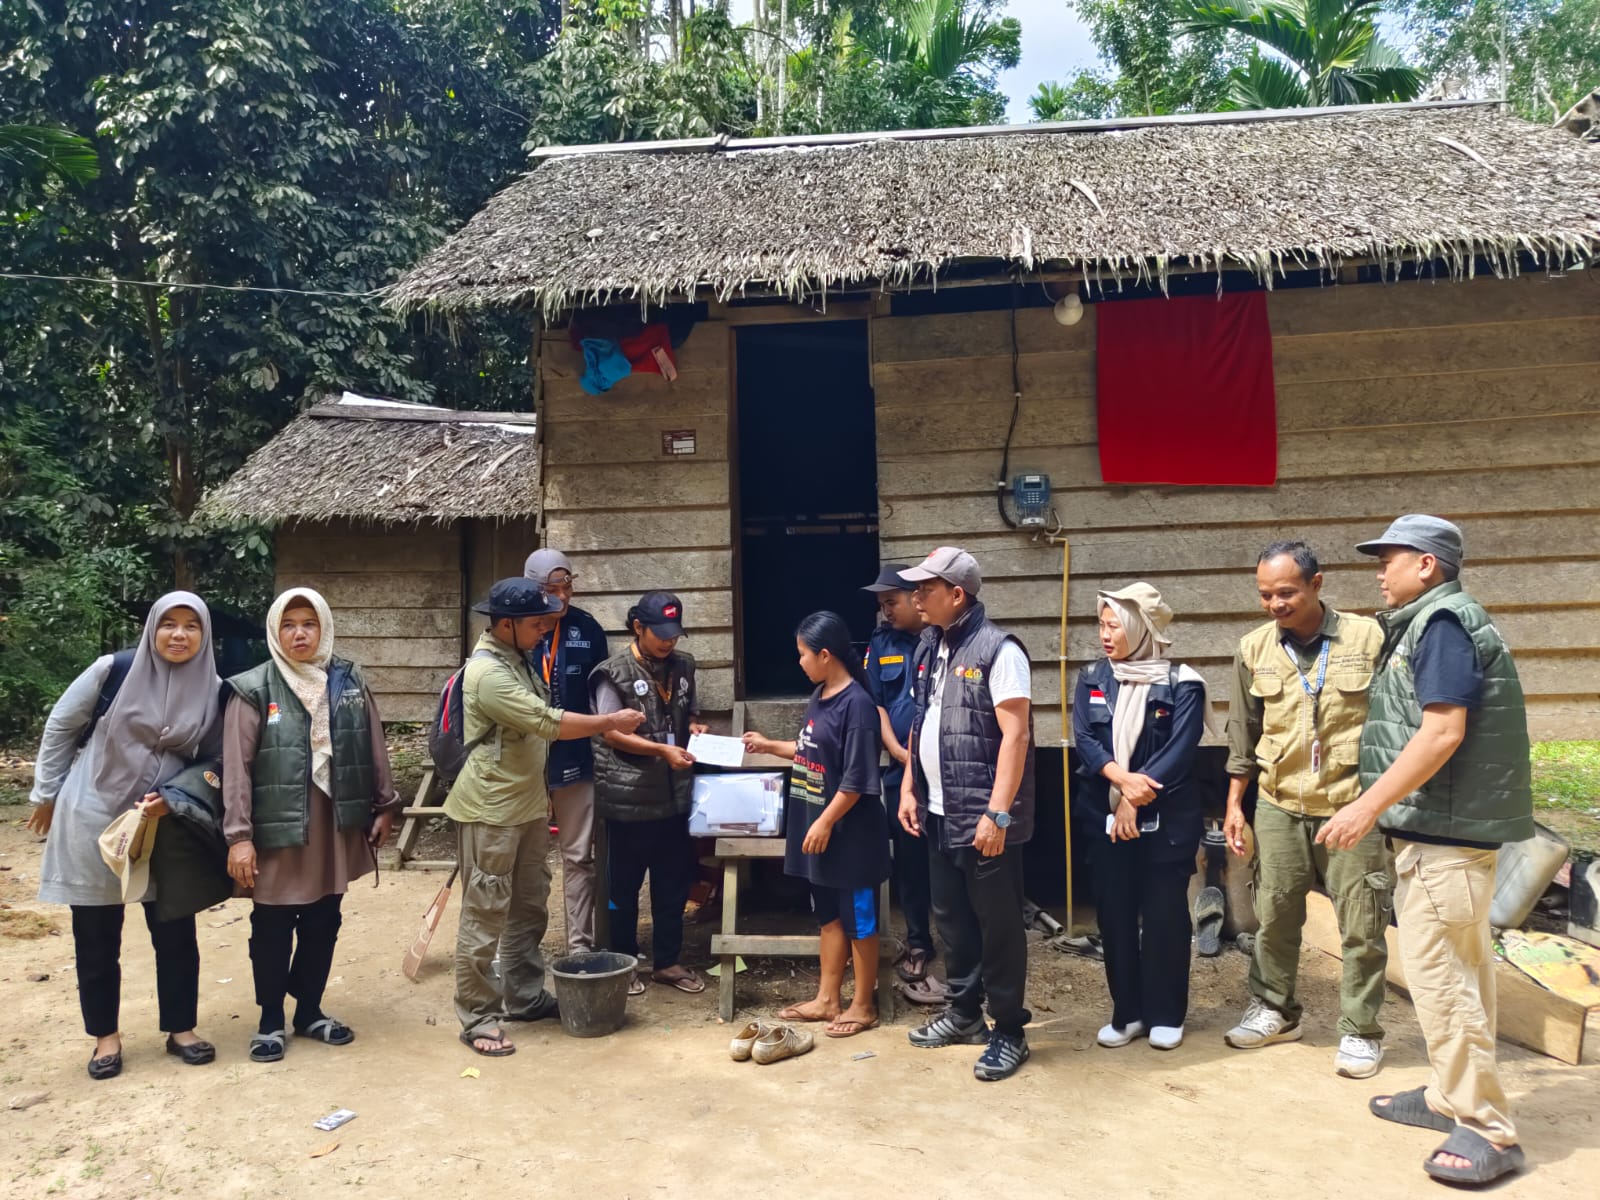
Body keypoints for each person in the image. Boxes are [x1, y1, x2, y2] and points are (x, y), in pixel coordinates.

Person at [1320, 516, 1533, 1187]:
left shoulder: (1441, 626)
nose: (1380, 570)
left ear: (1428, 566)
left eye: (1391, 558)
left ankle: (1488, 1130)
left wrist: (1366, 804)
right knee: (1456, 978)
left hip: (1446, 839)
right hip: (1442, 834)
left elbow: (1442, 733)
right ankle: (1448, 1097)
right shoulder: (1435, 621)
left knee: (1449, 986)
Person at [446, 579, 645, 1056]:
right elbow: (545, 721)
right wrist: (607, 722)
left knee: (529, 905)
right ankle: (477, 1016)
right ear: (507, 624)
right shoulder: (488, 674)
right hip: (491, 810)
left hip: (527, 804)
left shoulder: (518, 659)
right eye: (537, 624)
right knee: (485, 912)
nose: (544, 631)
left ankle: (524, 996)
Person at [28, 593, 222, 1079]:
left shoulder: (213, 688)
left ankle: (181, 1029)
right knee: (96, 934)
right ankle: (105, 1038)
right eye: (169, 625)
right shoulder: (111, 670)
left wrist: (178, 797)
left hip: (163, 821)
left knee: (175, 927)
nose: (179, 635)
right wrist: (45, 794)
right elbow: (61, 726)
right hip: (93, 813)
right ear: (152, 629)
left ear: (204, 635)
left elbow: (215, 760)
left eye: (191, 626)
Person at [1222, 541, 1390, 1077]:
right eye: (1266, 595)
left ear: (1318, 584)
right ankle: (1275, 1008)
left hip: (1352, 804)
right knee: (1274, 915)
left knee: (1361, 921)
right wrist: (1234, 805)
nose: (1275, 604)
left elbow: (1396, 721)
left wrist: (1384, 801)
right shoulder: (1253, 648)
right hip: (1278, 802)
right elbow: (1243, 734)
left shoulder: (1368, 637)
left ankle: (1360, 1030)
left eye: (1286, 592)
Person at [223, 587, 401, 1064]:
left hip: (334, 822)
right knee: (273, 925)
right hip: (278, 828)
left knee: (325, 919)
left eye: (308, 623)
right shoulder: (253, 688)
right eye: (288, 624)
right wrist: (239, 837)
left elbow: (373, 745)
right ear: (275, 631)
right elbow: (237, 770)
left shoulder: (346, 681)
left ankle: (309, 1011)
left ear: (323, 627)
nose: (298, 633)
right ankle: (268, 1019)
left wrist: (385, 806)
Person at [896, 547, 1036, 1082]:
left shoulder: (1000, 650)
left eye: (925, 589)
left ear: (957, 594)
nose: (915, 598)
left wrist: (997, 814)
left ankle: (1008, 1031)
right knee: (952, 922)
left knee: (998, 927)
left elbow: (1016, 735)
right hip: (937, 811)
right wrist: (910, 785)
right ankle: (962, 1014)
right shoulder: (930, 645)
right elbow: (920, 722)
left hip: (983, 819)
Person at [1073, 584, 1209, 1051]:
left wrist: (1134, 796)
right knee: (1114, 916)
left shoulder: (1183, 681)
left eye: (1114, 625)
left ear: (1140, 627)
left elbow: (1180, 749)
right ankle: (1126, 1013)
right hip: (1104, 819)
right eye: (1102, 625)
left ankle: (1165, 1013)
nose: (1104, 635)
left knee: (1165, 915)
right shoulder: (1092, 677)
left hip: (1165, 819)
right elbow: (1085, 741)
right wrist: (1120, 783)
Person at [743, 612, 891, 1037]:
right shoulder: (821, 695)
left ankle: (863, 1005)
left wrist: (825, 822)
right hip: (819, 829)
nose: (800, 662)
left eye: (803, 655)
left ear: (826, 655)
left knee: (859, 920)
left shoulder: (858, 706)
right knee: (828, 916)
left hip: (850, 835)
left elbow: (858, 779)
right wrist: (771, 745)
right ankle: (828, 1000)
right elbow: (812, 752)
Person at [591, 590, 709, 995]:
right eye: (660, 633)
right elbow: (610, 732)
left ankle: (668, 962)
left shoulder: (684, 666)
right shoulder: (612, 672)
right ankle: (624, 962)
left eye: (674, 634)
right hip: (628, 798)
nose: (668, 641)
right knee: (623, 888)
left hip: (675, 797)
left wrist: (695, 727)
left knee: (673, 883)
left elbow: (688, 711)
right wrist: (660, 749)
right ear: (638, 627)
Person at [525, 548, 609, 952]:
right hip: (522, 764)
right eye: (551, 588)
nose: (561, 596)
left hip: (576, 758)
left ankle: (580, 947)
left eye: (567, 585)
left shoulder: (588, 630)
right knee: (524, 860)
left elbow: (601, 699)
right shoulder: (514, 630)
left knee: (578, 856)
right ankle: (521, 949)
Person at [862, 565, 934, 984]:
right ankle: (919, 940)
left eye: (891, 602)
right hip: (898, 770)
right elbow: (877, 704)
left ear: (916, 598)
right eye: (881, 604)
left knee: (946, 858)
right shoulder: (880, 642)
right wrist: (893, 748)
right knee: (908, 860)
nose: (886, 611)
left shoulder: (941, 638)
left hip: (942, 771)